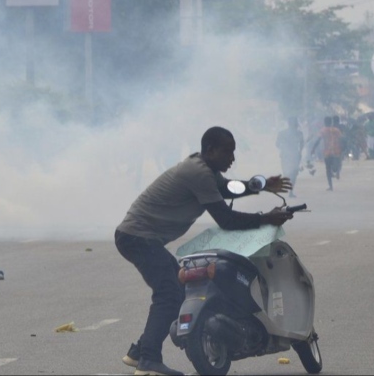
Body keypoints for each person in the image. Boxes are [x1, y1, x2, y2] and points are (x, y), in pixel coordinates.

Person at [116, 126, 293, 376]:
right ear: (210, 150)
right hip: (138, 237)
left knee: (176, 292)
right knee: (170, 294)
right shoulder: (198, 173)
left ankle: (139, 352)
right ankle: (148, 361)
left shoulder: (205, 169)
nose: (232, 158)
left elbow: (228, 189)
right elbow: (226, 219)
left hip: (140, 238)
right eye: (227, 152)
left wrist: (259, 186)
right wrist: (267, 218)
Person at [310, 117, 343, 191]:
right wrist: (343, 148)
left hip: (327, 152)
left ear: (324, 122)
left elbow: (318, 140)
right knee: (336, 166)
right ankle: (336, 171)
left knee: (328, 169)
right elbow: (341, 139)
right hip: (336, 151)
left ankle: (330, 186)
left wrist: (313, 149)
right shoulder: (336, 130)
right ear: (331, 122)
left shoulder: (323, 130)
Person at [276, 117, 304, 198]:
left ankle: (288, 188)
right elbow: (302, 144)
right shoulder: (299, 133)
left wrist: (284, 147)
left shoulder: (282, 133)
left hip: (285, 154)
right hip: (295, 155)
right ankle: (290, 191)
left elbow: (277, 144)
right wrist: (299, 152)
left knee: (287, 172)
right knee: (294, 173)